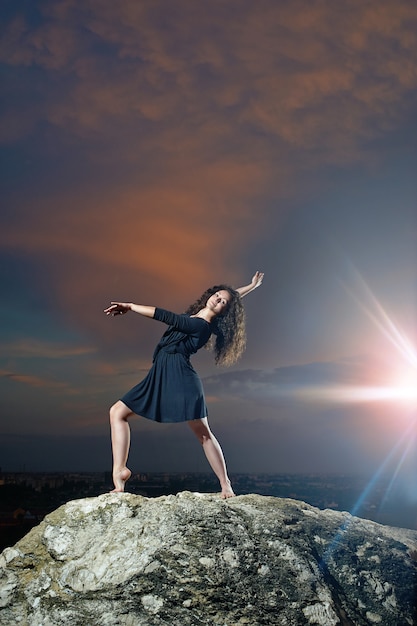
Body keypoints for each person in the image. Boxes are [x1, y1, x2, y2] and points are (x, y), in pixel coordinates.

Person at [104, 271, 264, 498]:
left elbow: (166, 316)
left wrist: (130, 306)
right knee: (117, 412)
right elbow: (231, 298)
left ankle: (225, 484)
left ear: (225, 311)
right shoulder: (197, 315)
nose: (217, 300)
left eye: (222, 303)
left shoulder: (202, 326)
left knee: (203, 433)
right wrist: (250, 287)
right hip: (161, 373)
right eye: (217, 295)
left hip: (181, 377)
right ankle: (120, 473)